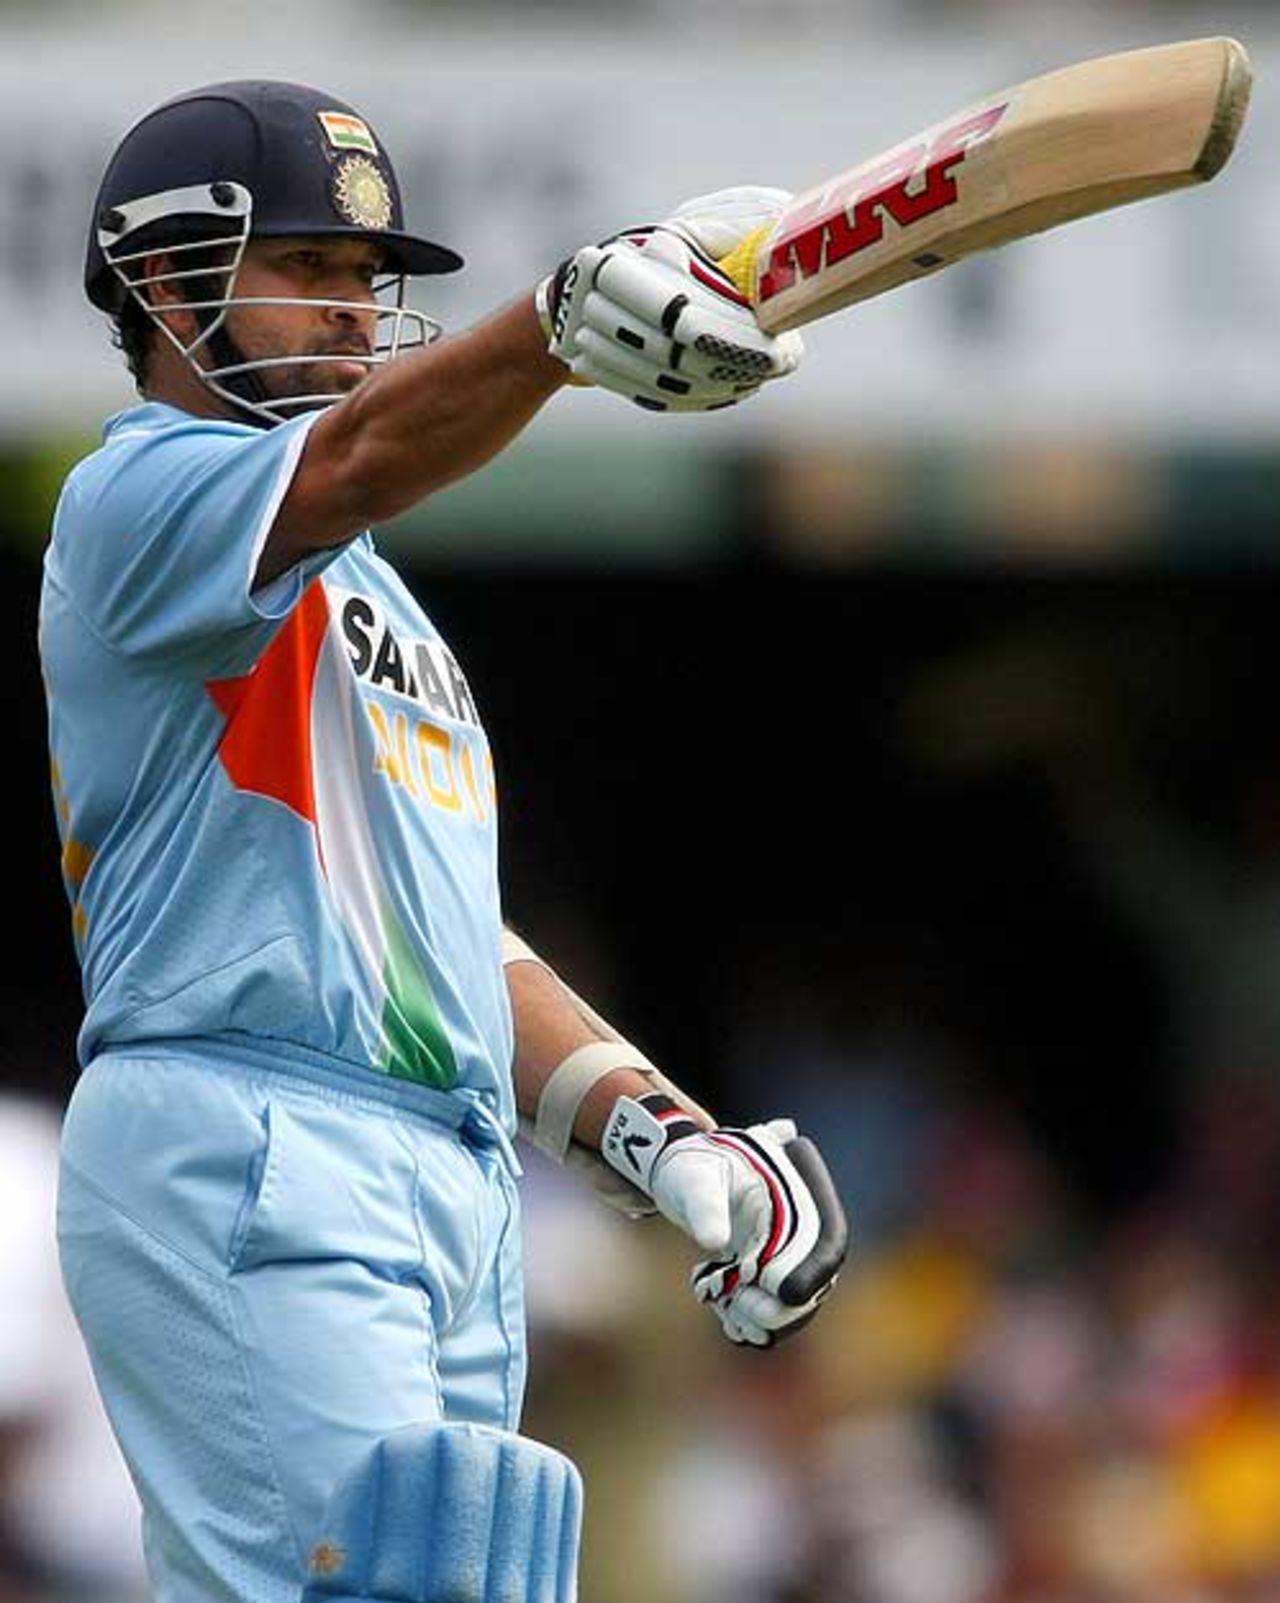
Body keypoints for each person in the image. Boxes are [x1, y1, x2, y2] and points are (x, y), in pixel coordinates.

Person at [39, 79, 849, 1603]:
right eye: (310, 272)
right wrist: (558, 326)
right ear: (163, 283)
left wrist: (653, 1125)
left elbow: (447, 940)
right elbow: (353, 460)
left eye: (369, 284)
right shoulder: (132, 498)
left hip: (447, 1173)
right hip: (250, 1133)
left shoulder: (379, 605)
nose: (354, 315)